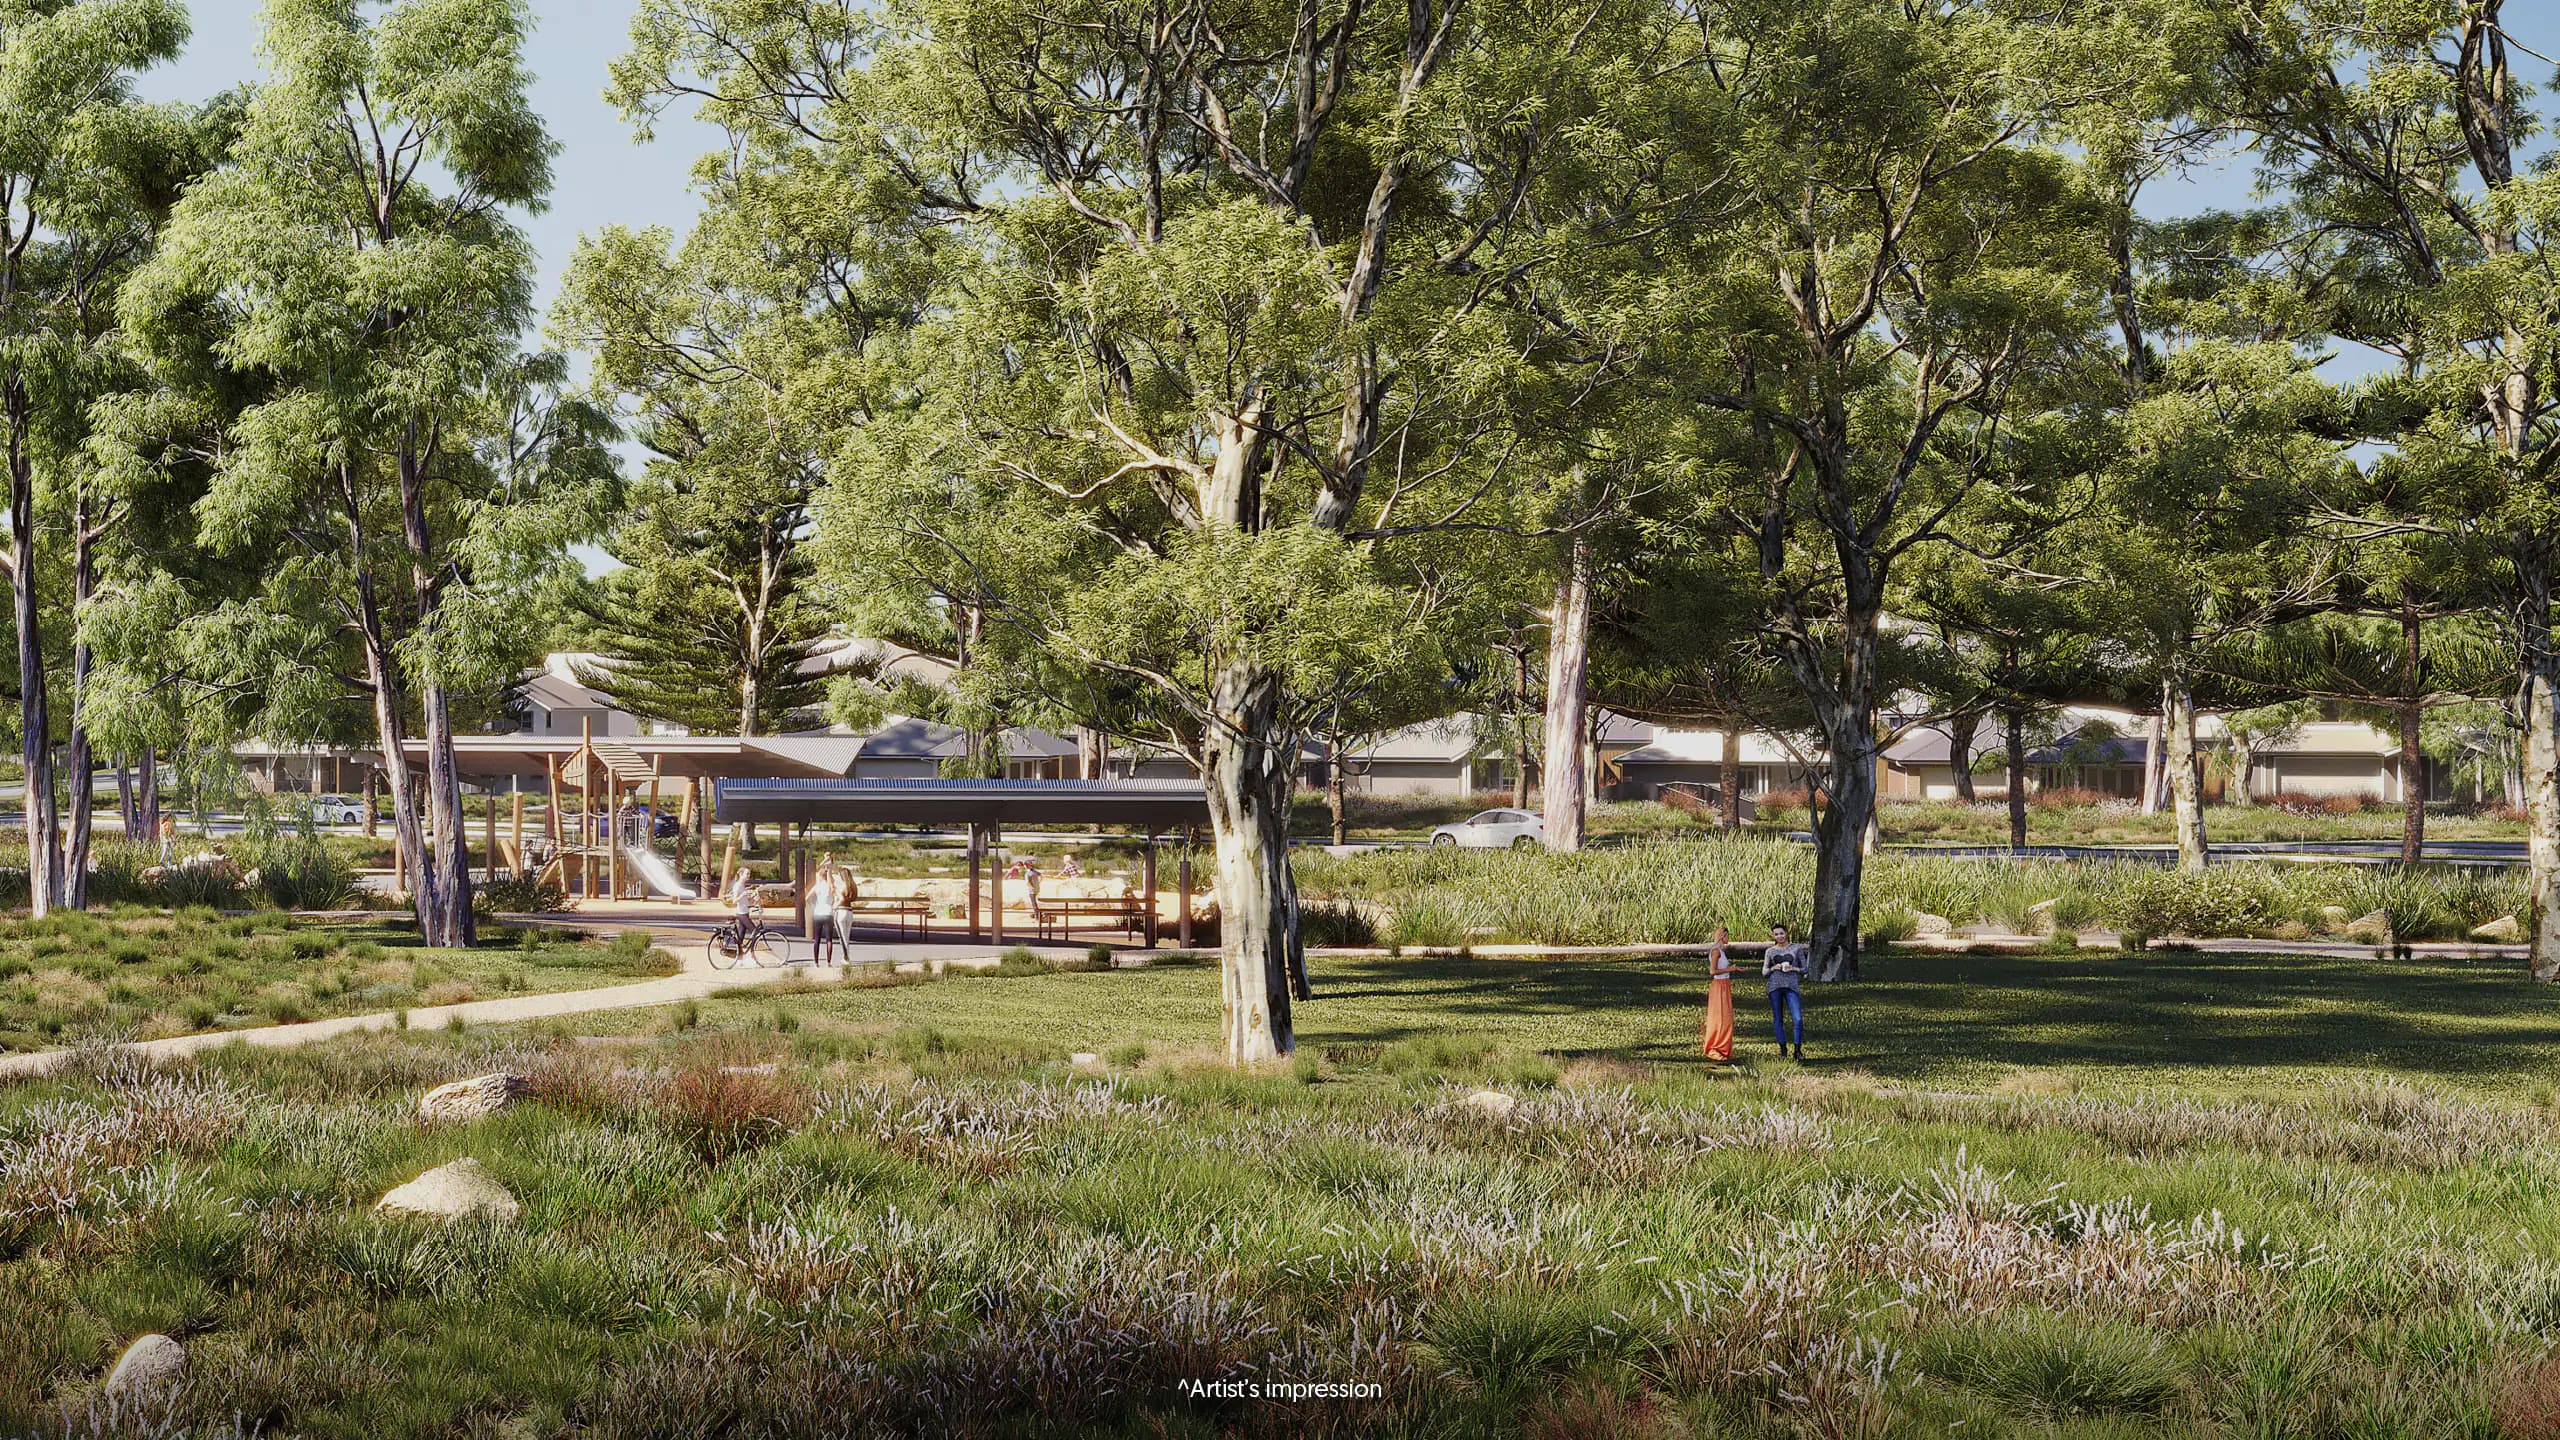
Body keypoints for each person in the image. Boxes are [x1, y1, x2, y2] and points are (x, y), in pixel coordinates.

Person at [1763, 923, 1808, 1060]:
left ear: (1786, 933)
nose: (1779, 936)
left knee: (1798, 1018)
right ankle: (1783, 1050)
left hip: (1791, 986)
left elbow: (1805, 968)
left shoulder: (1796, 948)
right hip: (1775, 986)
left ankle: (1797, 1050)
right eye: (1776, 934)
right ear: (1773, 936)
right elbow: (1764, 972)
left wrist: (1794, 969)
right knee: (1778, 1018)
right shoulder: (1770, 951)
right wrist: (1773, 968)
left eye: (1781, 933)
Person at [1700, 924, 1735, 1064]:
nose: (1728, 938)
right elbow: (1712, 971)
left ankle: (1723, 1047)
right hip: (1719, 986)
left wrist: (1734, 969)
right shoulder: (1716, 951)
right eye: (1727, 935)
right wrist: (1730, 969)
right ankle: (1715, 1047)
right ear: (1723, 936)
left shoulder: (1721, 951)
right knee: (1720, 1018)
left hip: (1725, 984)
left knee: (1726, 1018)